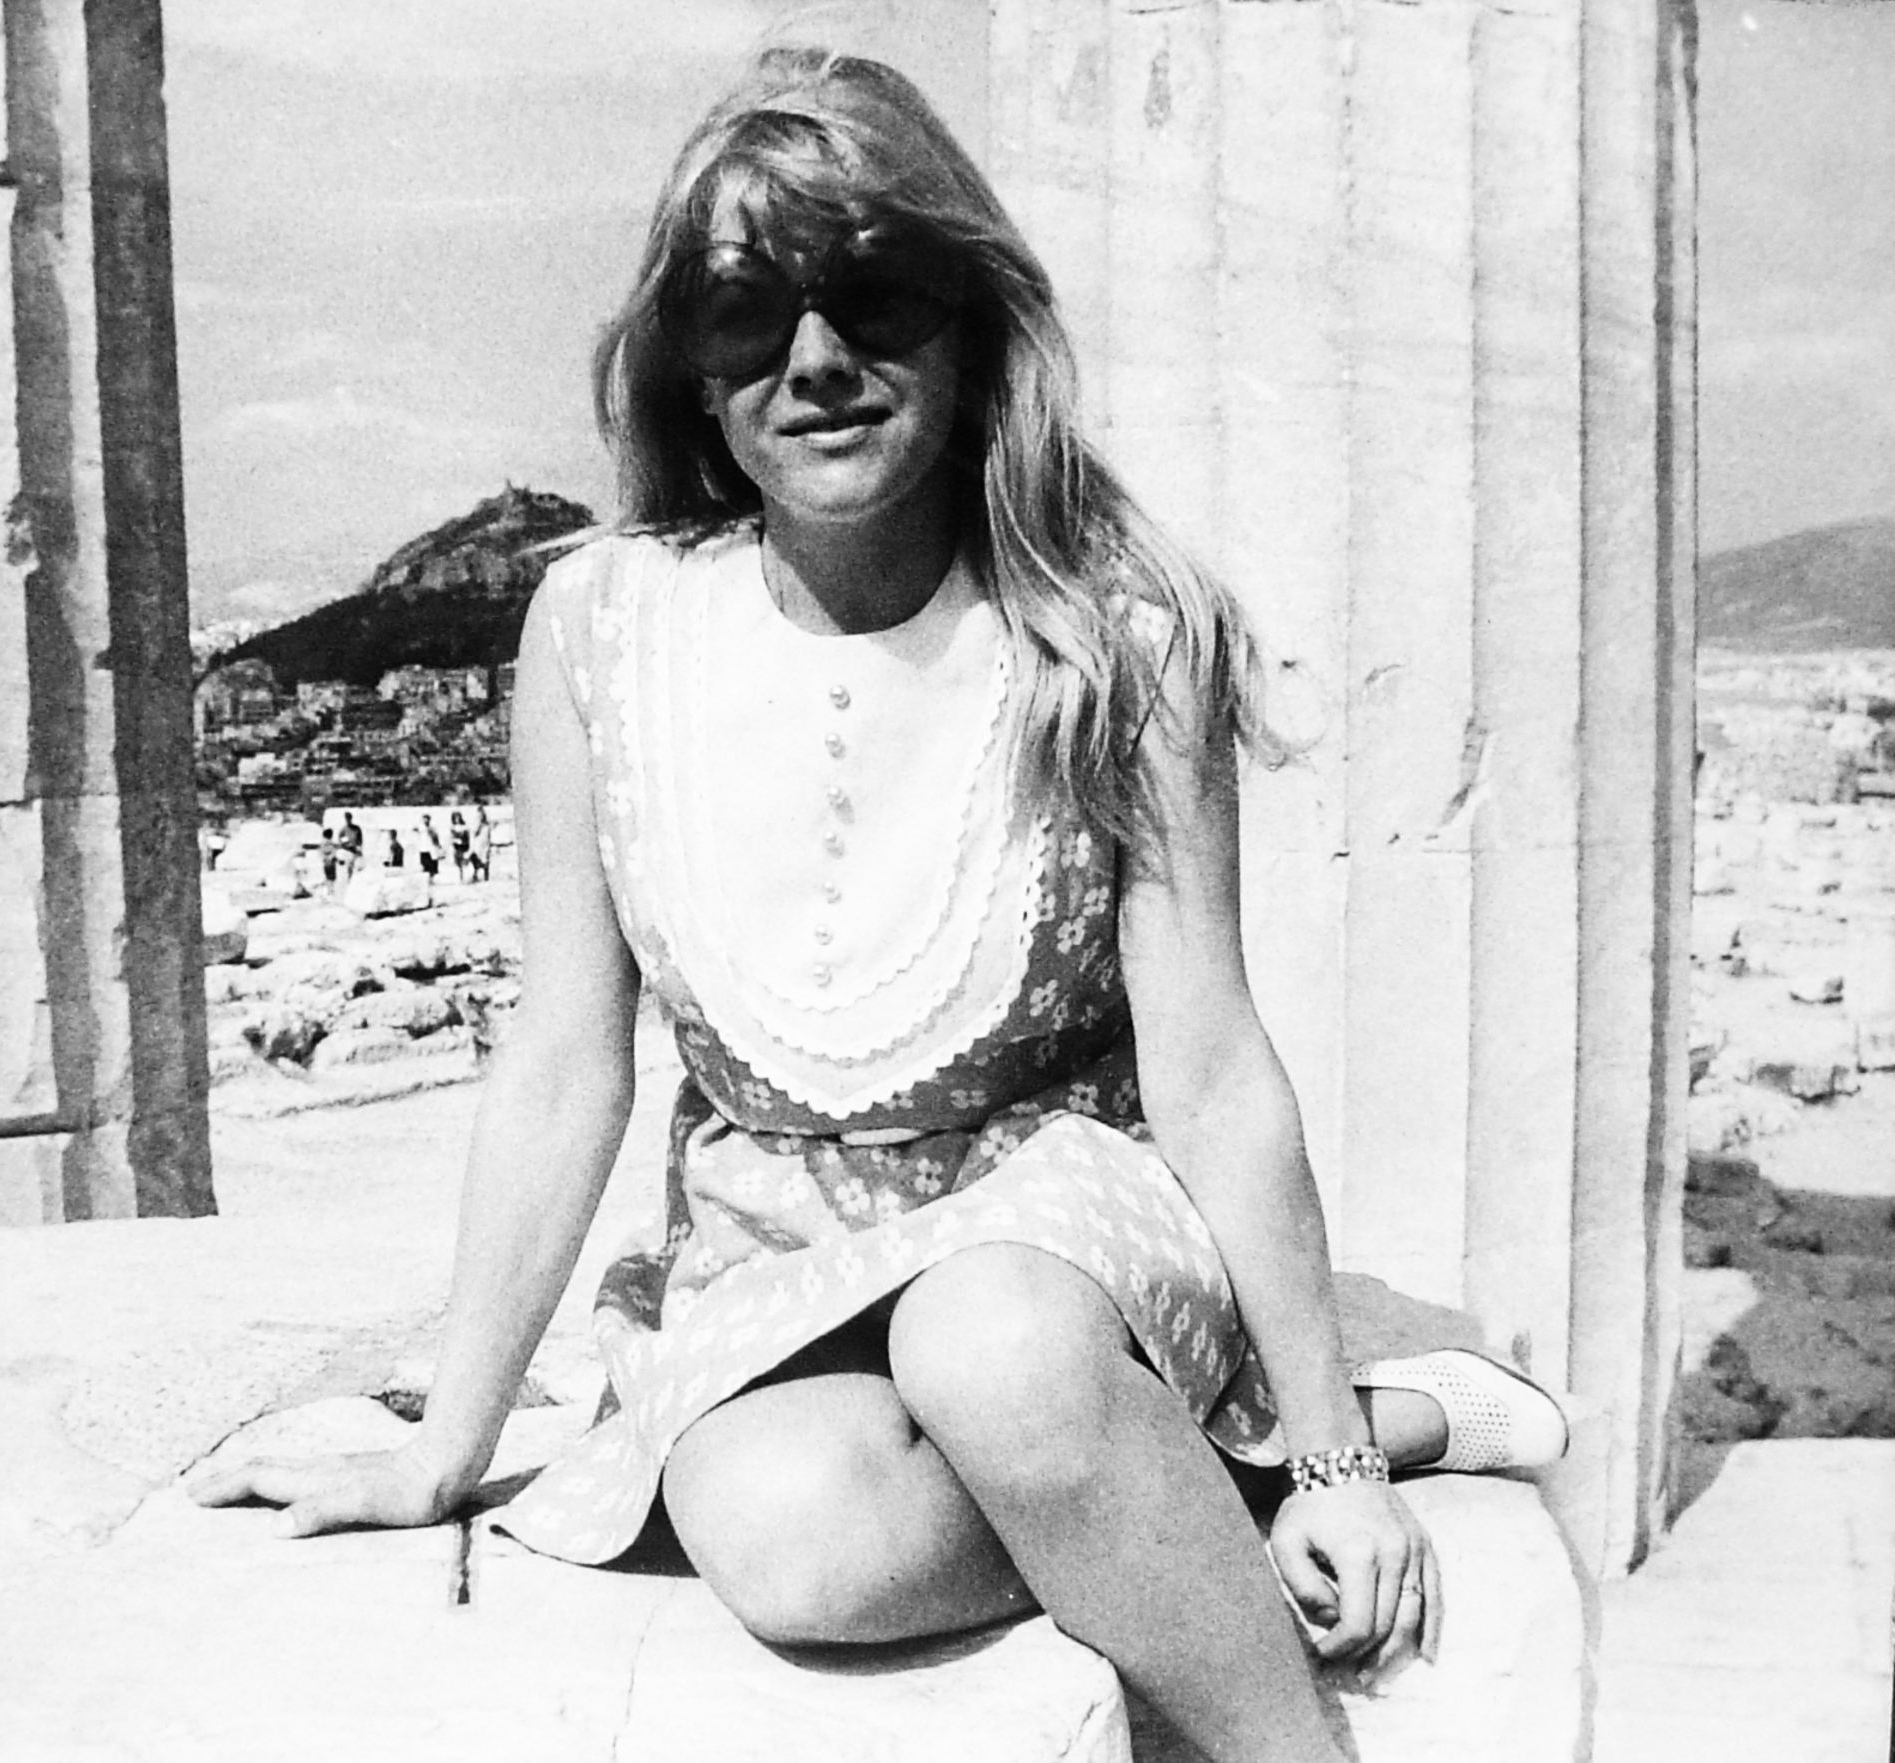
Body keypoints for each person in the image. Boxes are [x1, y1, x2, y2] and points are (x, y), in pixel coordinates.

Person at [190, 50, 1565, 1763]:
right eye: (746, 312)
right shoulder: (598, 628)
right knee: (795, 1547)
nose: (817, 359)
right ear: (689, 370)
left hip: (1061, 1214)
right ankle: (1259, 1453)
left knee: (994, 1344)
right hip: (764, 1243)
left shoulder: (1115, 636)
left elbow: (1211, 1066)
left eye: (876, 294)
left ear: (970, 322)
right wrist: (441, 1452)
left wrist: (1343, 1480)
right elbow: (562, 1060)